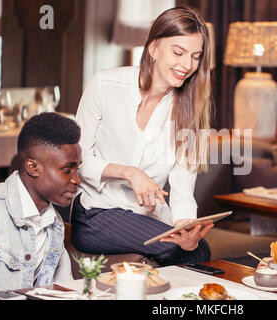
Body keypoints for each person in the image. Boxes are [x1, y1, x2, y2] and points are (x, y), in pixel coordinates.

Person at [71, 7, 213, 266]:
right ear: (153, 48)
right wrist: (129, 173)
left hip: (147, 217)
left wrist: (186, 229)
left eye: (195, 57)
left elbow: (182, 191)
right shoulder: (105, 85)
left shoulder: (190, 111)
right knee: (177, 252)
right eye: (178, 52)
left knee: (199, 248)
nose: (186, 65)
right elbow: (77, 161)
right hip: (96, 212)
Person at [0, 112, 81, 291]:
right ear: (32, 167)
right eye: (67, 170)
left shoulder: (55, 226)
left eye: (77, 169)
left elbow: (62, 289)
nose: (77, 180)